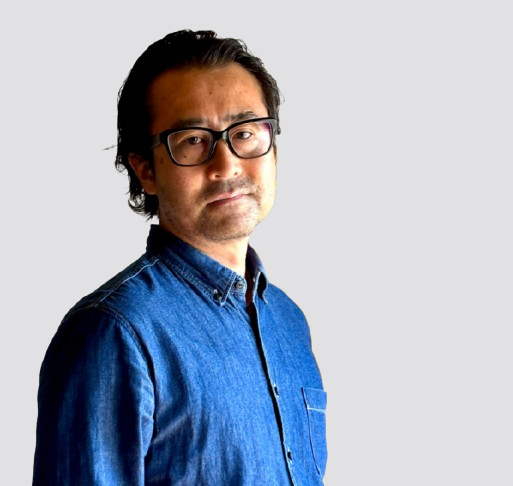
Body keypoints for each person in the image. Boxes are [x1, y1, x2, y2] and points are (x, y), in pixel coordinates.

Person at [33, 29, 327, 485]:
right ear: (145, 170)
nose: (227, 164)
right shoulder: (115, 332)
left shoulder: (288, 321)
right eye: (192, 140)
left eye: (245, 133)